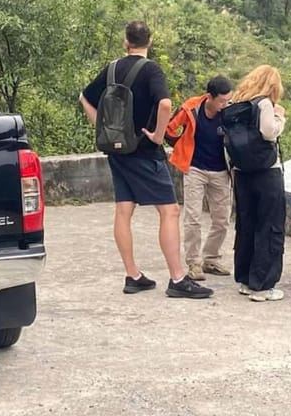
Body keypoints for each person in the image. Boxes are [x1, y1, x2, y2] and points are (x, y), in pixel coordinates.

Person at [79, 21, 213, 300]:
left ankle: (133, 275)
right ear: (149, 42)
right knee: (169, 211)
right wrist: (158, 135)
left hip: (117, 150)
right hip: (143, 151)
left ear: (125, 41)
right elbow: (165, 104)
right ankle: (178, 278)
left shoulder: (113, 68)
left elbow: (85, 97)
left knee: (123, 210)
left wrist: (101, 129)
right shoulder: (151, 70)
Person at [165, 76, 234, 281]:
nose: (225, 105)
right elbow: (170, 129)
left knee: (222, 219)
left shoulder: (230, 113)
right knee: (193, 218)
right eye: (222, 101)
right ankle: (194, 262)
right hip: (195, 168)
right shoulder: (191, 108)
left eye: (228, 100)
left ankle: (211, 258)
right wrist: (181, 145)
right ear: (209, 97)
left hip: (222, 171)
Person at [229, 65, 287, 302]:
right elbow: (269, 132)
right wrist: (279, 116)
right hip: (266, 173)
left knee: (246, 225)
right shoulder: (263, 104)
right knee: (269, 226)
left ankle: (245, 278)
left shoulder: (236, 104)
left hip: (242, 173)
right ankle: (263, 285)